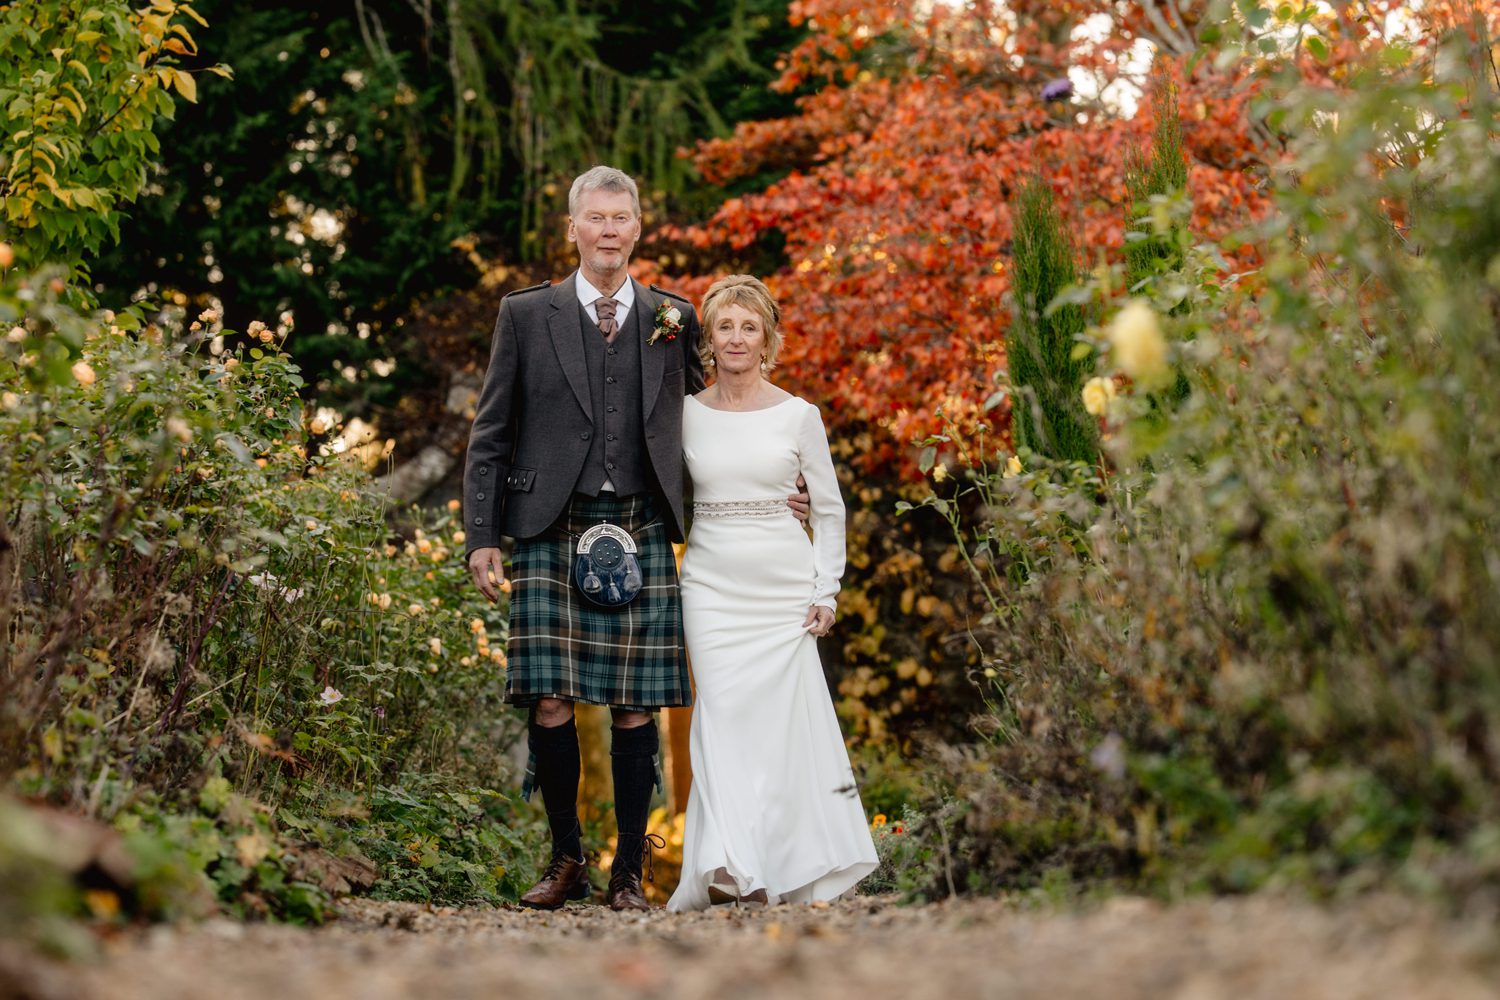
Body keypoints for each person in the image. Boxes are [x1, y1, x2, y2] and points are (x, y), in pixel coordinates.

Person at [462, 168, 806, 911]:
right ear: (574, 228)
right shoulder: (526, 315)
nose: (608, 230)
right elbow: (491, 432)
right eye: (595, 218)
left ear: (638, 228)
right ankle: (565, 861)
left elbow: (713, 418)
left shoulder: (673, 319)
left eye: (621, 218)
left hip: (641, 521)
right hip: (549, 524)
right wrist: (481, 536)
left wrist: (780, 479)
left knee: (634, 704)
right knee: (549, 699)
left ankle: (627, 871)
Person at [667, 275, 878, 912]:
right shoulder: (682, 413)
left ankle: (784, 861)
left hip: (783, 590)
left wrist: (827, 588)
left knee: (780, 730)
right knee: (720, 718)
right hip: (709, 583)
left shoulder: (799, 415)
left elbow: (832, 509)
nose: (736, 338)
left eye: (748, 327)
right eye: (725, 326)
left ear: (768, 340)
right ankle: (731, 866)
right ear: (709, 337)